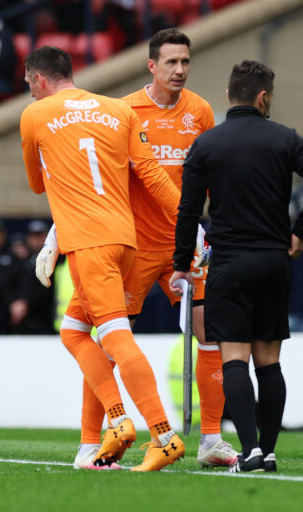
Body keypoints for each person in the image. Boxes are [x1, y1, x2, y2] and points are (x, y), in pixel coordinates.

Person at [71, 28, 235, 469]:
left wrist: (207, 228)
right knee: (109, 341)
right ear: (151, 66)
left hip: (187, 246)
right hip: (135, 247)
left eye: (185, 62)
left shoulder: (199, 111)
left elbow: (208, 175)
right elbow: (101, 179)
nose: (179, 70)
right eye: (171, 63)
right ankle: (91, 442)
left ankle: (212, 441)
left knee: (211, 335)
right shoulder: (123, 111)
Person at [20, 46, 184, 471]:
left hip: (88, 243)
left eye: (29, 85)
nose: (30, 91)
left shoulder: (34, 115)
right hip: (126, 241)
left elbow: (38, 185)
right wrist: (190, 225)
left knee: (114, 338)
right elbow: (150, 174)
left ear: (38, 80)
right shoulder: (118, 109)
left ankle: (160, 434)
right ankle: (110, 427)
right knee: (74, 331)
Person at [169, 60, 303, 472]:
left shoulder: (206, 144)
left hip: (230, 263)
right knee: (270, 361)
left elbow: (188, 211)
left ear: (229, 96)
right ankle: (271, 450)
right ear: (264, 98)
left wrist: (181, 263)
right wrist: (301, 232)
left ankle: (251, 450)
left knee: (234, 359)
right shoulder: (285, 138)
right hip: (274, 262)